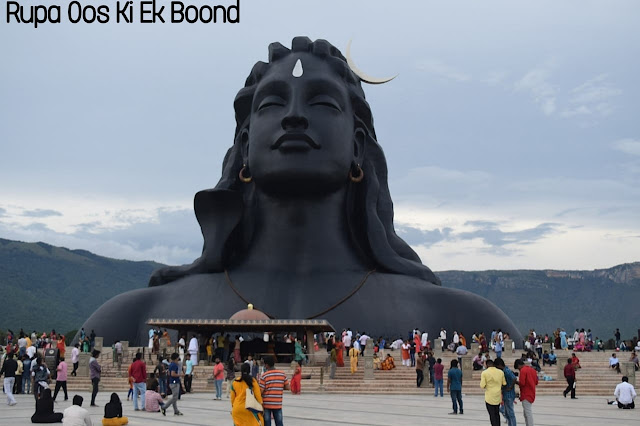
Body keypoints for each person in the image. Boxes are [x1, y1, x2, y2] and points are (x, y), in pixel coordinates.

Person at [80, 37, 523, 347]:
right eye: (273, 102)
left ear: (357, 145)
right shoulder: (130, 316)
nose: (294, 116)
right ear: (245, 146)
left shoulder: (461, 319)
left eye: (322, 103)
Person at [259, 356, 289, 426]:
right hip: (277, 404)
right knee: (279, 423)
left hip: (266, 404)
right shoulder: (282, 374)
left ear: (266, 365)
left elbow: (261, 391)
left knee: (267, 423)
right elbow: (288, 387)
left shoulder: (264, 376)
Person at [480, 359, 505, 426]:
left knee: (492, 414)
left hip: (489, 397)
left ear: (487, 364)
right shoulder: (500, 372)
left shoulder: (484, 373)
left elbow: (482, 385)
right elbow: (504, 383)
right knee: (497, 413)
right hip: (497, 396)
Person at [515, 358, 538, 426]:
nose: (518, 370)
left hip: (525, 393)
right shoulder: (532, 370)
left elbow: (522, 383)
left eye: (518, 368)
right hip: (532, 393)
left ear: (519, 365)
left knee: (528, 413)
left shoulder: (523, 370)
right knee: (526, 412)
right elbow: (536, 382)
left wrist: (515, 382)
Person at [494, 358, 516, 426]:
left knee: (510, 413)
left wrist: (510, 387)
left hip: (509, 395)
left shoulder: (507, 371)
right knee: (507, 413)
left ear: (499, 365)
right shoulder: (503, 371)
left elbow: (514, 378)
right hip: (506, 395)